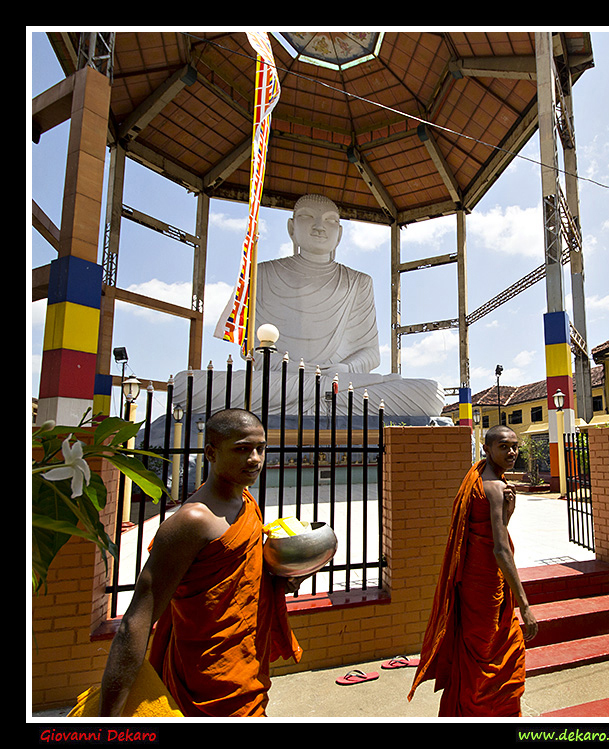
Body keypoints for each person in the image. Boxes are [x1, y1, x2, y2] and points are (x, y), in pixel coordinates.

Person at [98, 409, 302, 717]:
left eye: (261, 448)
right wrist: (108, 721)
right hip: (205, 674)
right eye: (242, 449)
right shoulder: (192, 521)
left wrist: (280, 578)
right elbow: (135, 621)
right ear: (211, 453)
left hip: (247, 666)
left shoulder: (246, 503)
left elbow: (242, 579)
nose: (255, 458)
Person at [201, 193, 444, 422]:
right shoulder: (261, 273)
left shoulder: (358, 281)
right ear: (291, 228)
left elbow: (371, 354)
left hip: (341, 380)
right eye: (307, 217)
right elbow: (250, 349)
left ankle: (322, 393)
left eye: (330, 221)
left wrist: (344, 369)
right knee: (190, 386)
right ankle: (323, 392)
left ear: (339, 234)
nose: (319, 227)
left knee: (430, 392)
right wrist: (297, 370)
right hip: (284, 382)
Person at [408, 425, 538, 717]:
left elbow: (491, 532)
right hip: (485, 586)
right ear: (487, 449)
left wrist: (506, 516)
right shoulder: (494, 487)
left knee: (481, 651)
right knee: (492, 654)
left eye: (515, 446)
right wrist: (525, 606)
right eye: (504, 447)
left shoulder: (478, 477)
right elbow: (500, 549)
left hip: (473, 583)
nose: (512, 452)